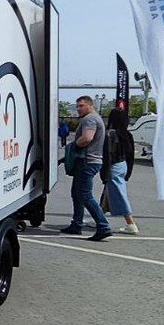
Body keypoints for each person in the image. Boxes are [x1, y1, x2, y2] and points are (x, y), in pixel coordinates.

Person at [60, 96, 112, 241]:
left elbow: (87, 138)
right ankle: (76, 224)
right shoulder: (96, 118)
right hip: (91, 161)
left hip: (87, 161)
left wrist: (74, 146)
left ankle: (103, 226)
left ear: (90, 105)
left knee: (85, 195)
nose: (78, 108)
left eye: (81, 105)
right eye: (77, 106)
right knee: (77, 194)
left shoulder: (89, 119)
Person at [101, 105, 139, 235]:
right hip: (123, 165)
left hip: (113, 166)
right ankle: (99, 217)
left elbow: (108, 155)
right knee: (108, 193)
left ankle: (131, 223)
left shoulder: (110, 134)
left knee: (118, 194)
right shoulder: (127, 134)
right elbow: (131, 156)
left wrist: (103, 173)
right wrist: (128, 172)